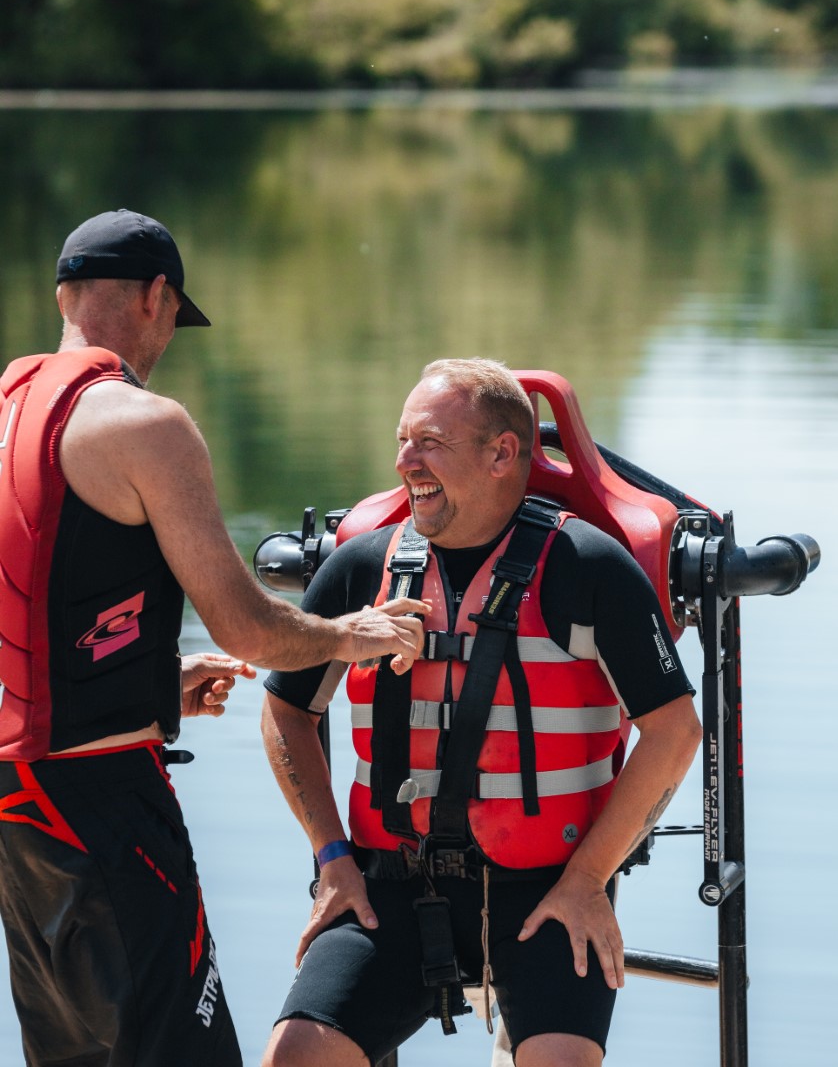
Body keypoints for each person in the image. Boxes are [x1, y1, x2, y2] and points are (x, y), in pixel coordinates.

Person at [0, 209, 426, 1067]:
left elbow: (33, 610)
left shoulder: (9, 413)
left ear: (63, 296)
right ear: (157, 297)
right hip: (106, 802)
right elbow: (250, 626)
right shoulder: (142, 423)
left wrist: (153, 684)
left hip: (18, 807)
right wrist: (350, 635)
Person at [259, 358, 703, 1067]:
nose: (406, 460)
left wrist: (590, 880)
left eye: (429, 441)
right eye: (403, 440)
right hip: (388, 887)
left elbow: (675, 732)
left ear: (502, 454)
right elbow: (285, 712)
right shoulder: (359, 569)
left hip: (551, 892)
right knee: (297, 1055)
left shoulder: (589, 569)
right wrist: (334, 859)